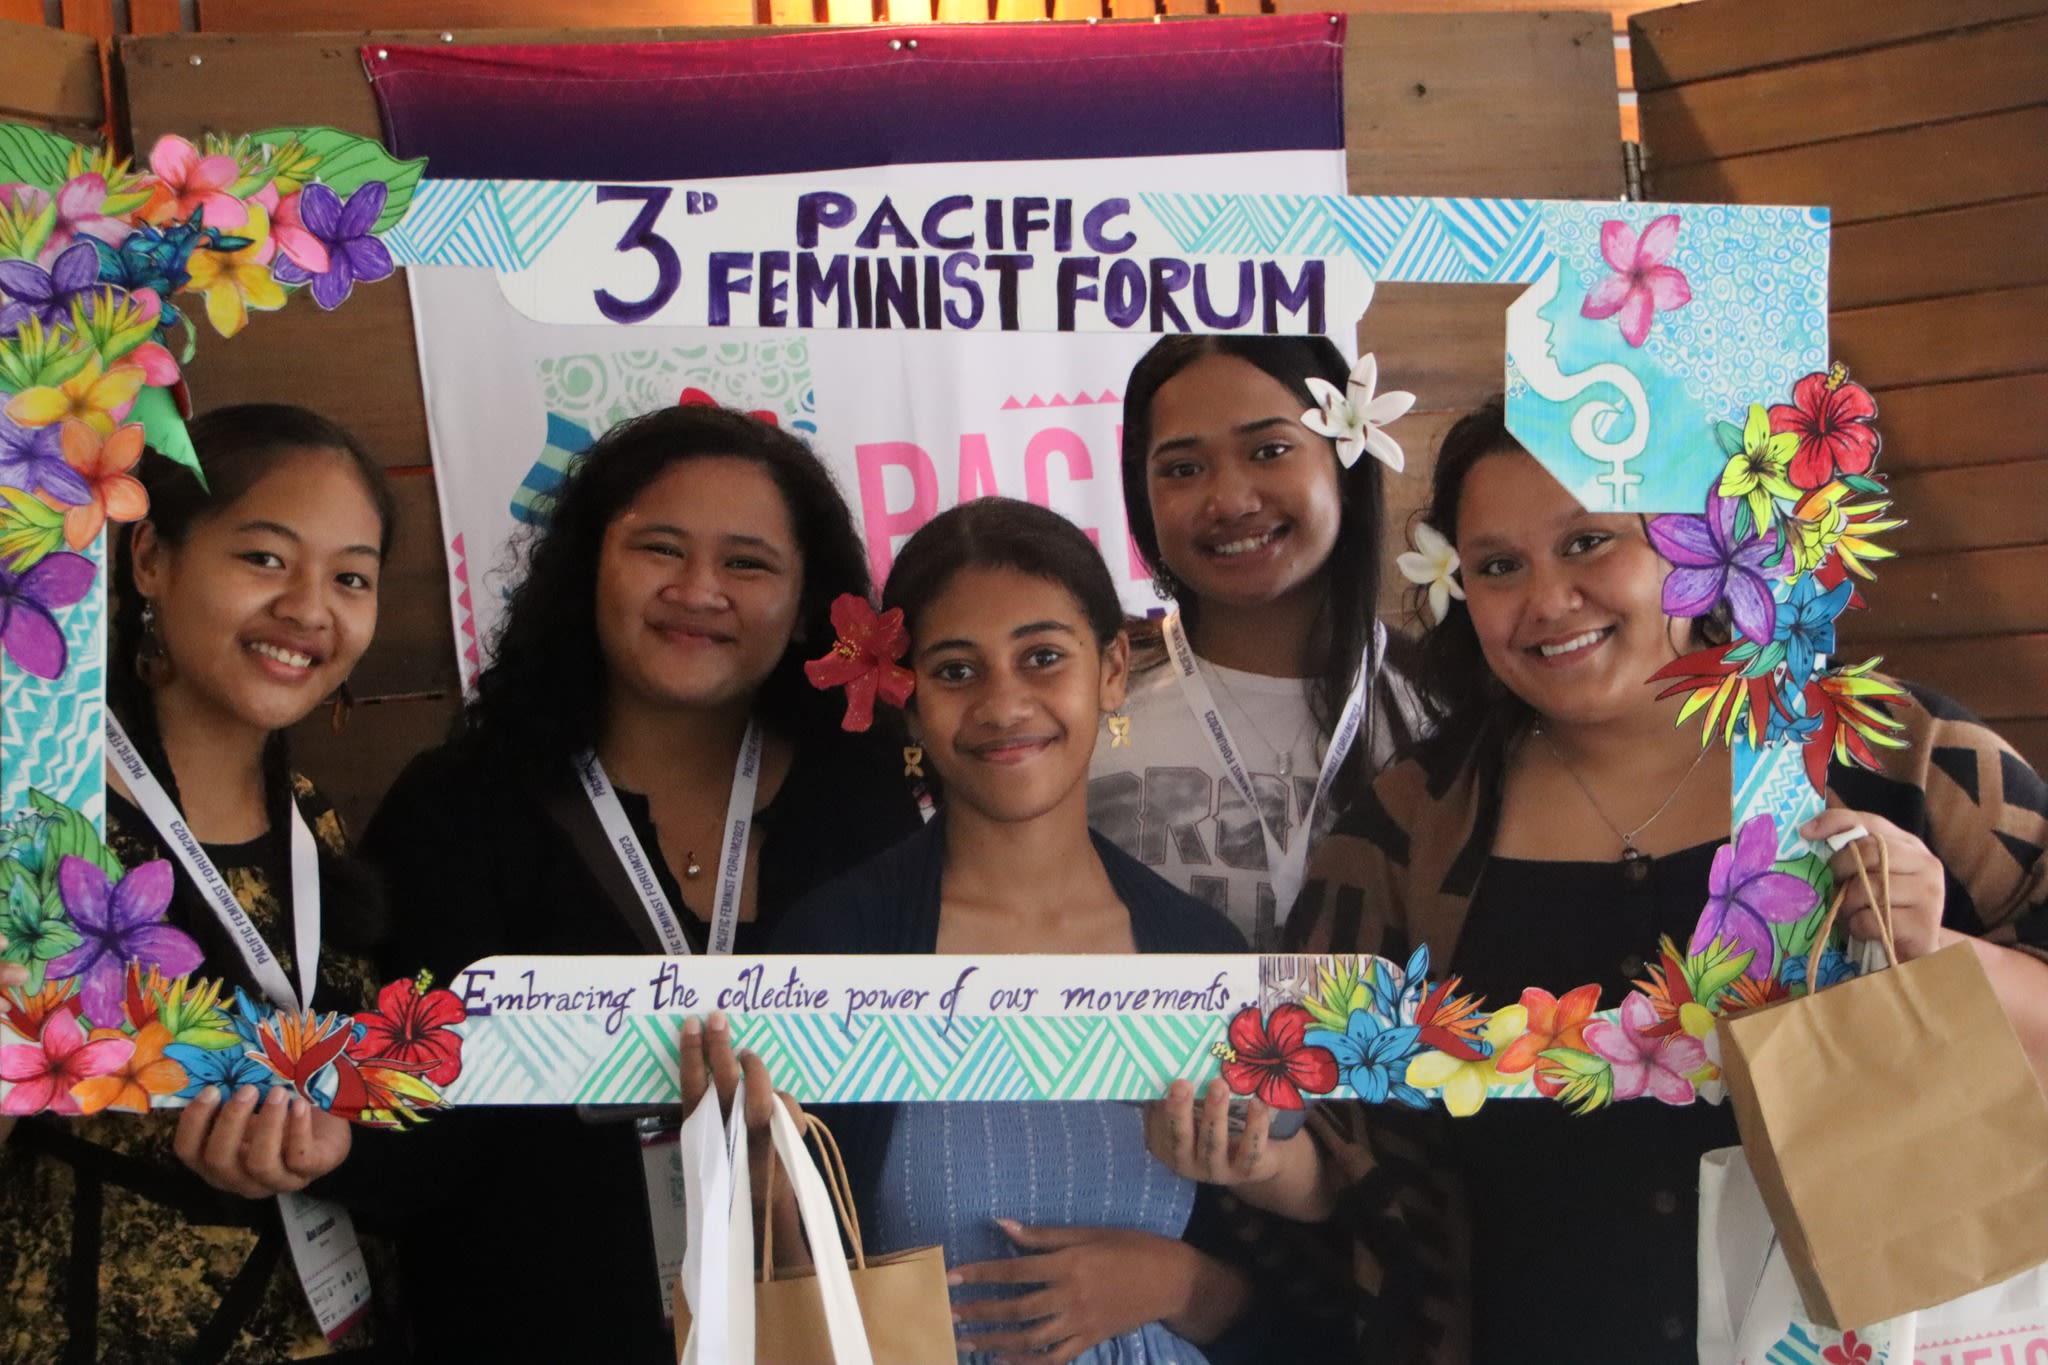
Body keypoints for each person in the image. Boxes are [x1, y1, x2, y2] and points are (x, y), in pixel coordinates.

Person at [1151, 398, 2048, 1364]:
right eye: (1499, 565)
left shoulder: (1895, 753)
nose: (1546, 598)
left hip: (1891, 1328)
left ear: (1695, 544)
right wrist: (1257, 1157)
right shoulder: (1404, 831)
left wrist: (1939, 952)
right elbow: (1340, 1155)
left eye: (1588, 542)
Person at [357, 403, 922, 1362]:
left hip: (800, 1324)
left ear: (806, 608)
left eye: (748, 563)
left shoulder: (863, 801)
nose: (699, 590)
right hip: (523, 1328)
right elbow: (405, 1140)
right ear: (590, 569)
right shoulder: (456, 807)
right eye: (661, 548)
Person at [760, 497, 1265, 1365]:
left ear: (1111, 669)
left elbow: (1293, 1304)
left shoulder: (1201, 953)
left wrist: (1174, 1281)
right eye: (956, 670)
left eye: (1042, 657)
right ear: (907, 698)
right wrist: (748, 1171)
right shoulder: (832, 950)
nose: (1003, 703)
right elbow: (786, 1305)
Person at [0, 404, 401, 1363]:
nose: (310, 608)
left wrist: (344, 1140)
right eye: (265, 558)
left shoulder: (312, 818)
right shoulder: (45, 815)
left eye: (351, 576)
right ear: (150, 562)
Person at [1090, 335, 1422, 950]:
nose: (1231, 501)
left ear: (1345, 466)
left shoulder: (1441, 704)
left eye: (1269, 451)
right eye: (1183, 469)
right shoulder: (1091, 701)